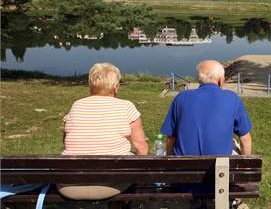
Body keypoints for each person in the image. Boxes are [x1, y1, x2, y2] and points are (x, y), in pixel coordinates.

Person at [57, 63, 149, 208]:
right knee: (131, 164)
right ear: (115, 86)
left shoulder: (77, 105)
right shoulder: (126, 107)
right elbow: (142, 148)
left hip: (69, 185)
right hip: (111, 184)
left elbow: (66, 140)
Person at [161, 60, 252, 156]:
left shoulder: (181, 97)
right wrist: (246, 166)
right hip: (218, 167)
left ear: (199, 79)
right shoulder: (232, 98)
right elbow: (245, 138)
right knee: (234, 144)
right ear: (220, 80)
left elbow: (170, 138)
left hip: (185, 166)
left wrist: (169, 159)